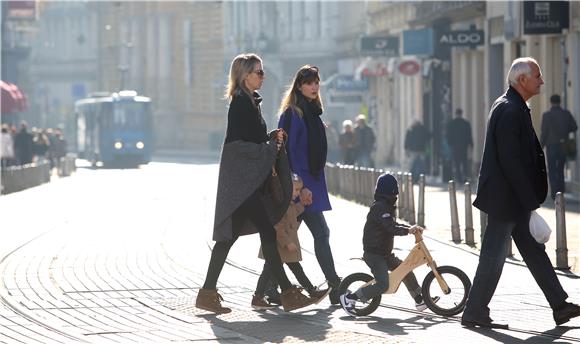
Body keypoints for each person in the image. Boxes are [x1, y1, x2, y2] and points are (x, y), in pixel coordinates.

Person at [461, 57, 580, 329]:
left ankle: (560, 305)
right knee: (493, 255)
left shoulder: (513, 105)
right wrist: (529, 200)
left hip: (511, 197)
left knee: (534, 251)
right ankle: (475, 310)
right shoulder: (511, 109)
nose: (542, 81)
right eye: (537, 76)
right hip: (507, 199)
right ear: (522, 80)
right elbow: (510, 160)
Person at [195, 53, 316, 314]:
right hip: (243, 182)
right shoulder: (241, 103)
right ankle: (287, 292)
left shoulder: (251, 102)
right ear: (245, 75)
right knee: (267, 231)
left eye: (262, 72)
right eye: (259, 72)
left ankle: (207, 292)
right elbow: (240, 147)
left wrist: (271, 138)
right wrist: (270, 144)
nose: (263, 76)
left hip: (246, 182)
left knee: (228, 239)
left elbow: (253, 139)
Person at [278, 65, 342, 304]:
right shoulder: (293, 113)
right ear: (299, 86)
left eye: (316, 82)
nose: (314, 86)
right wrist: (299, 185)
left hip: (311, 182)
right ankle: (335, 287)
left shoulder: (312, 112)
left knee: (287, 236)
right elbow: (289, 151)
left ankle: (264, 291)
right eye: (309, 82)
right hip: (301, 185)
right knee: (318, 233)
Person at [339, 173, 437, 316]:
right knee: (383, 284)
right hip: (374, 254)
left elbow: (392, 224)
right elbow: (389, 228)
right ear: (391, 192)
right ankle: (350, 298)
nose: (396, 195)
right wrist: (408, 231)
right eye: (395, 191)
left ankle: (420, 299)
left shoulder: (386, 206)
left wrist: (411, 228)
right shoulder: (380, 207)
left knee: (406, 270)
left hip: (385, 254)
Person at [252, 173, 331, 310]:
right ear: (285, 188)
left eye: (300, 190)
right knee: (268, 270)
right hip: (278, 246)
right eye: (295, 190)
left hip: (284, 247)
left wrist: (303, 204)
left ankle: (312, 291)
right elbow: (277, 227)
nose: (298, 193)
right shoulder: (280, 205)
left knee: (294, 268)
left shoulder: (288, 203)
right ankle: (258, 297)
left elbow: (294, 212)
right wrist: (287, 242)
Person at [540, 94, 578, 199]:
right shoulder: (566, 114)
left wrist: (540, 146)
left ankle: (554, 193)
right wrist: (565, 132)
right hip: (563, 144)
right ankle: (561, 191)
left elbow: (544, 133)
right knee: (561, 169)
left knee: (552, 169)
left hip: (551, 145)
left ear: (551, 102)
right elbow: (574, 126)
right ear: (560, 101)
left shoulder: (546, 115)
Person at [446, 108, 473, 183]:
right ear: (461, 114)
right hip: (464, 146)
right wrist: (471, 144)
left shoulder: (451, 123)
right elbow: (469, 134)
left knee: (457, 163)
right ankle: (465, 176)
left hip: (455, 146)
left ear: (456, 114)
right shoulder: (466, 123)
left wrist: (450, 143)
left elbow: (448, 135)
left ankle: (459, 179)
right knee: (464, 162)